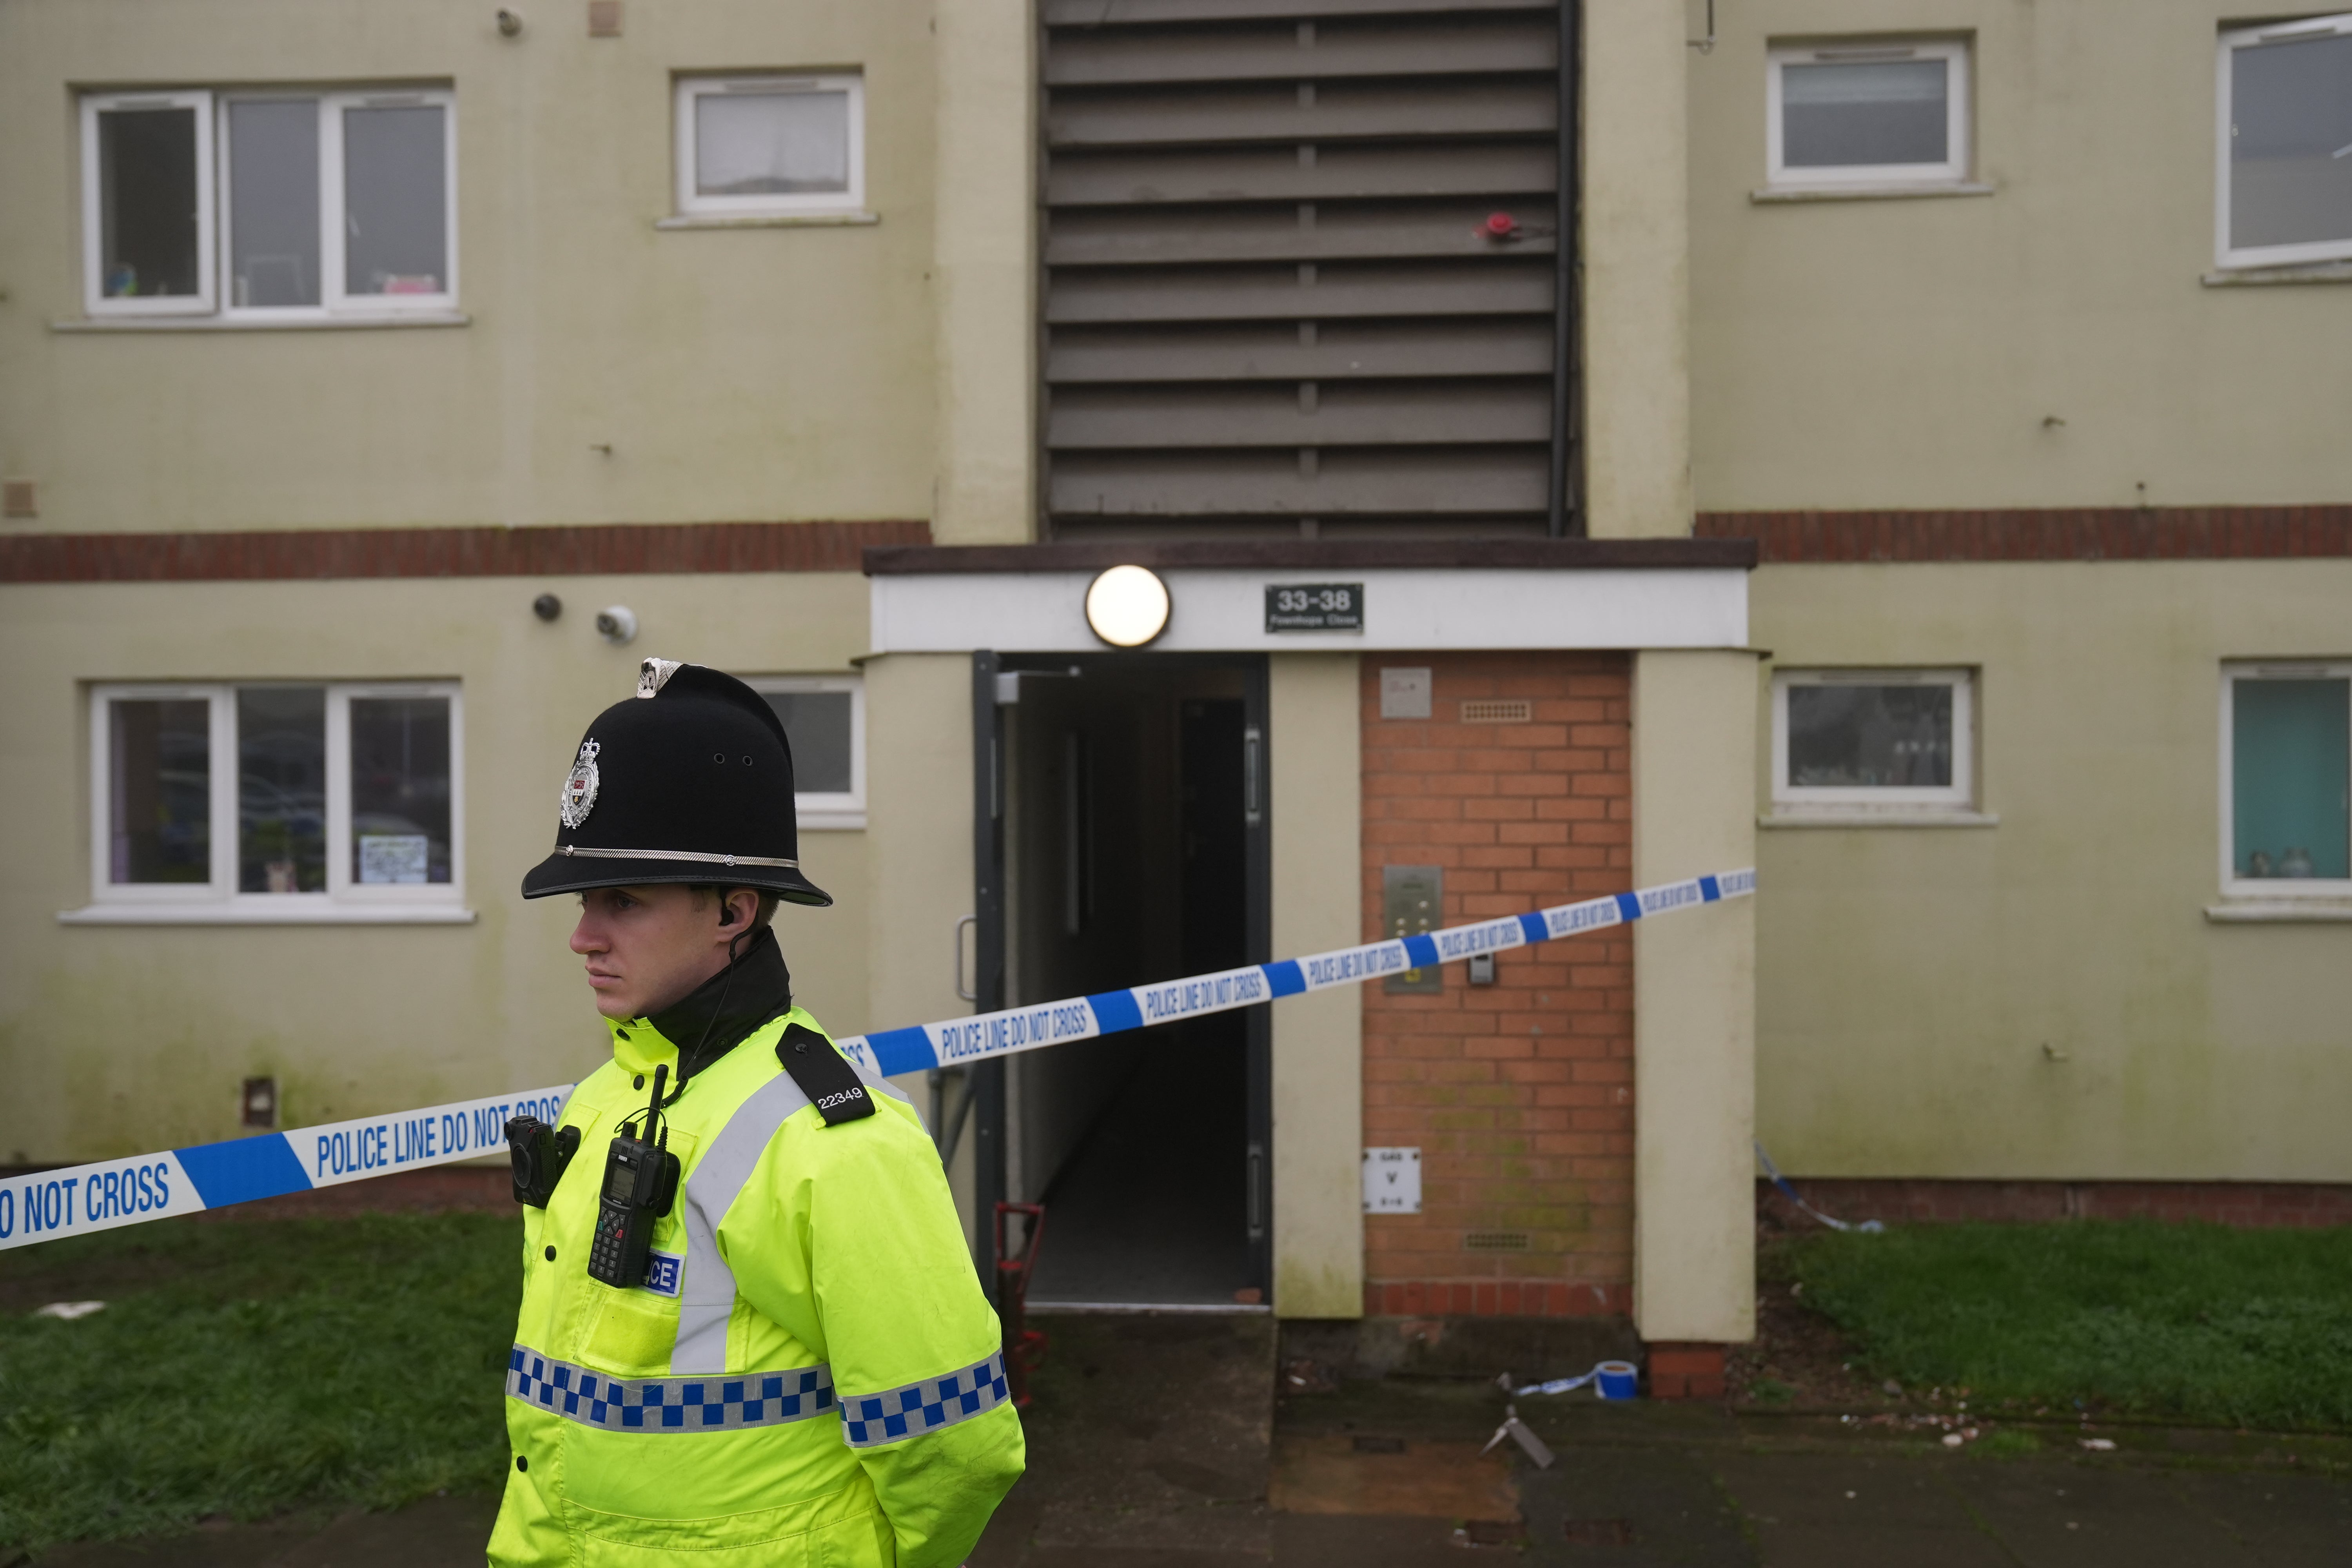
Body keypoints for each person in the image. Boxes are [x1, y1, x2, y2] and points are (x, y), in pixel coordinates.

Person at [488, 657, 1023, 1567]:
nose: (584, 935)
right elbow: (560, 1419)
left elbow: (955, 1446)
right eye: (587, 900)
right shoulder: (603, 1097)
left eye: (624, 900)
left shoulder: (833, 1141)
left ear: (735, 910)